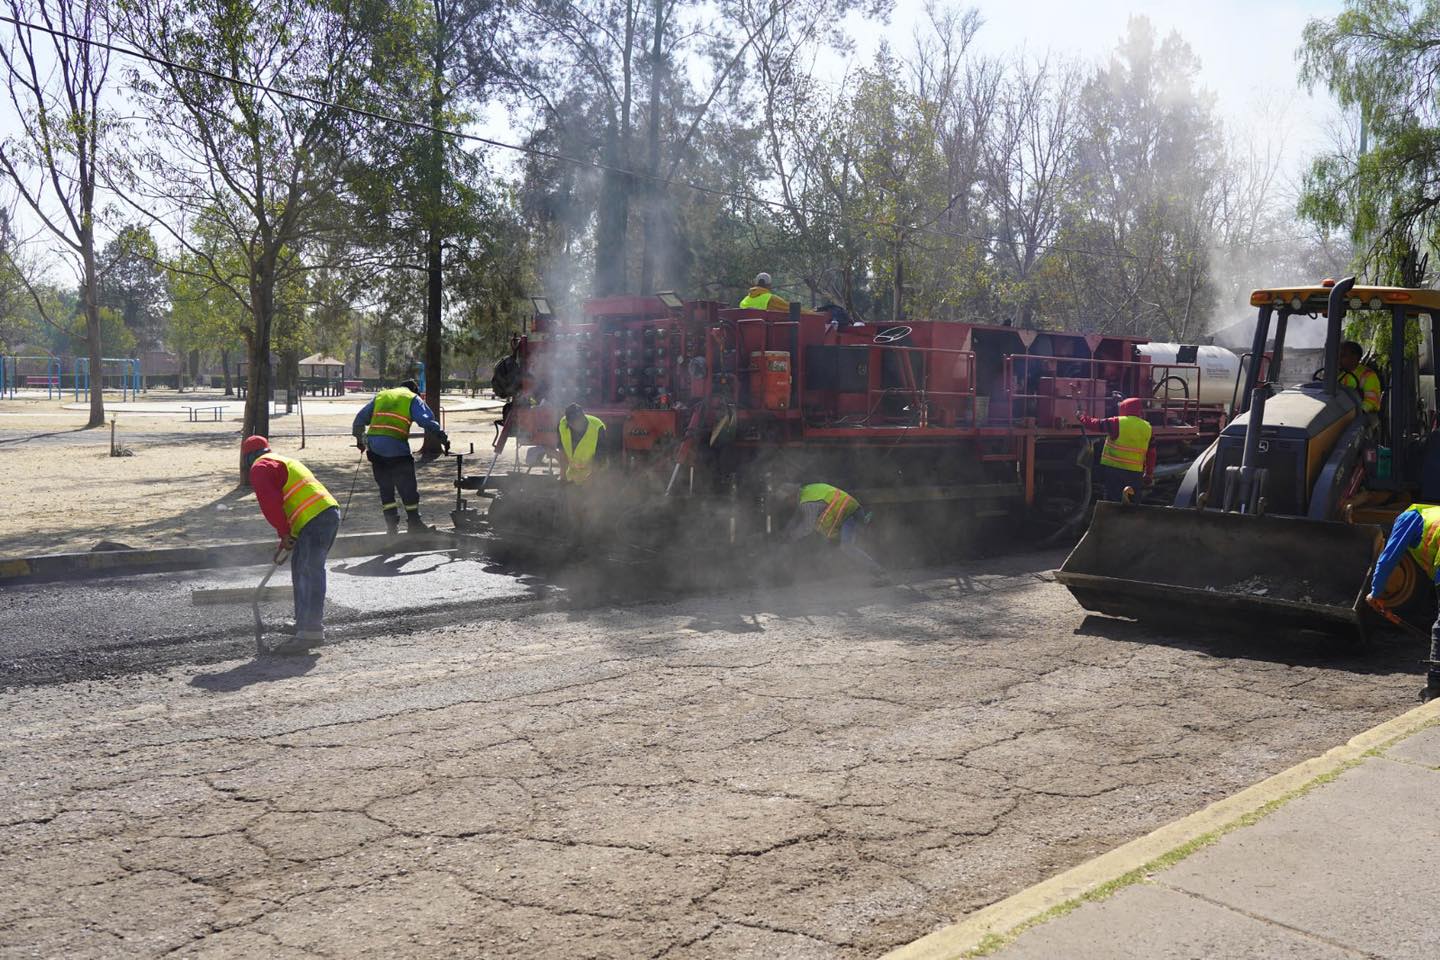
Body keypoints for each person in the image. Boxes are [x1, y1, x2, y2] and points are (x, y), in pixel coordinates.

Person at [243, 435, 340, 651]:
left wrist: (283, 532)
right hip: (323, 515)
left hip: (315, 519)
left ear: (248, 457)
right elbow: (294, 501)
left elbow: (270, 503)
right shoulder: (282, 460)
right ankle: (303, 623)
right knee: (301, 569)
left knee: (309, 572)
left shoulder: (261, 466)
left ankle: (311, 632)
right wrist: (285, 540)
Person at [352, 378, 449, 534]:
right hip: (396, 449)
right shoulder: (412, 398)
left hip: (375, 449)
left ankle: (391, 528)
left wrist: (360, 440)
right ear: (415, 391)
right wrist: (442, 437)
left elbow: (359, 420)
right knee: (407, 487)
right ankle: (414, 523)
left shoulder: (381, 396)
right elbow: (426, 421)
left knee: (386, 487)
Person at [1367, 503, 1440, 701]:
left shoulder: (1408, 518)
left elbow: (1389, 557)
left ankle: (1435, 686)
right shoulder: (1431, 514)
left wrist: (1375, 592)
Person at [782, 482, 887, 583]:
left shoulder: (806, 503)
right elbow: (796, 518)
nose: (787, 504)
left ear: (792, 496)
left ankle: (880, 573)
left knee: (846, 546)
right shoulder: (807, 490)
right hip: (851, 506)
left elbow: (808, 527)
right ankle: (868, 517)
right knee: (837, 537)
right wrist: (787, 532)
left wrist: (791, 537)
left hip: (846, 512)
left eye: (786, 501)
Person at [1079, 398, 1155, 502]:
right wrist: (1149, 473)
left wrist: (1081, 417)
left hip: (1115, 471)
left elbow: (1095, 424)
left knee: (1112, 502)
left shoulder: (1117, 422)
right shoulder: (1147, 427)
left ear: (1124, 408)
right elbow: (1151, 453)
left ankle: (1111, 518)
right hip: (1135, 474)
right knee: (1133, 502)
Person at [557, 402, 607, 484]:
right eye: (574, 423)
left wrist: (592, 476)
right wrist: (562, 473)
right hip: (572, 475)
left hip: (595, 474)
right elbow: (562, 450)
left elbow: (601, 456)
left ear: (583, 417)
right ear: (568, 422)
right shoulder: (562, 425)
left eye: (579, 421)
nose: (577, 425)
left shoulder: (597, 427)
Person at [1338, 341, 1382, 415]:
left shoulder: (1368, 375)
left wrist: (1355, 412)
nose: (1338, 359)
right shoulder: (1337, 374)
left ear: (1355, 357)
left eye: (1342, 355)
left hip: (1364, 417)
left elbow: (1371, 401)